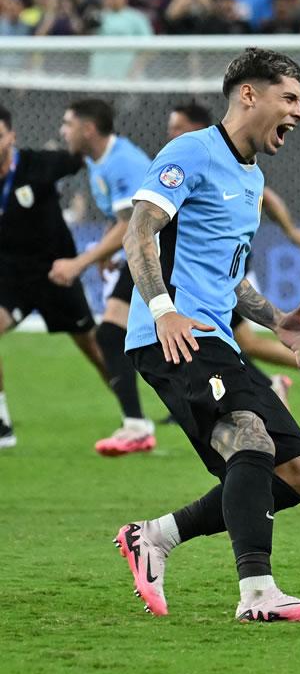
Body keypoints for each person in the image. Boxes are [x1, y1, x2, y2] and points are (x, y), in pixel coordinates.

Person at [112, 48, 300, 623]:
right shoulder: (190, 151)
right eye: (289, 97)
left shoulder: (252, 177)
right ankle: (258, 594)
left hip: (220, 338)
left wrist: (277, 322)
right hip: (176, 336)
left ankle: (156, 536)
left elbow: (229, 277)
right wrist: (164, 309)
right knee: (250, 439)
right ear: (249, 94)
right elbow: (138, 231)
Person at [166, 102, 300, 404]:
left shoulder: (217, 157)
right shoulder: (188, 158)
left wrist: (292, 232)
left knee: (234, 339)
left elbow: (267, 198)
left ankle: (284, 382)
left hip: (222, 268)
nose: (171, 133)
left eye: (178, 127)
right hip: (204, 268)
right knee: (233, 339)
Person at [0, 105, 111, 449]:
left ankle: (133, 408)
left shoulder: (40, 164)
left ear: (12, 137)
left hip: (57, 274)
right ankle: (2, 422)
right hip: (11, 279)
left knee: (92, 346)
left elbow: (83, 158)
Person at [54, 99, 158, 455]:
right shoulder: (100, 162)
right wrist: (111, 251)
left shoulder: (122, 162)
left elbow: (132, 223)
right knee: (119, 335)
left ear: (88, 128)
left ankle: (138, 426)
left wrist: (81, 262)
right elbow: (124, 222)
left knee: (115, 335)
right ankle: (138, 425)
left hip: (162, 251)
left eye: (68, 124)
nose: (62, 131)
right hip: (145, 249)